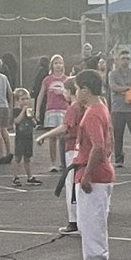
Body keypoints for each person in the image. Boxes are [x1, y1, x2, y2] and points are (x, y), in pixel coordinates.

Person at [71, 70, 114, 260]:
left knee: (91, 224)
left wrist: (87, 174)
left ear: (86, 90)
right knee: (91, 222)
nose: (76, 93)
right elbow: (106, 143)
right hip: (100, 172)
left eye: (78, 89)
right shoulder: (101, 109)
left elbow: (98, 146)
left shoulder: (93, 114)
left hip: (95, 176)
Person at [35, 77, 82, 236]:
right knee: (76, 184)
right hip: (79, 148)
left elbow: (64, 127)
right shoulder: (82, 107)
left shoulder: (73, 108)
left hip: (72, 148)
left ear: (69, 91)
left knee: (71, 185)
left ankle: (74, 221)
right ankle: (78, 219)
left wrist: (44, 135)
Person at [36, 54, 70, 170]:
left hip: (64, 110)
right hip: (51, 110)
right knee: (52, 137)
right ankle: (53, 163)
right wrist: (37, 110)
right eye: (56, 63)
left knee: (63, 137)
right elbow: (40, 95)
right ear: (52, 65)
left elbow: (70, 97)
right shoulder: (47, 80)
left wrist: (63, 93)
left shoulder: (66, 79)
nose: (58, 65)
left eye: (60, 63)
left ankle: (64, 162)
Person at [10, 88, 42, 187]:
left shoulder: (29, 111)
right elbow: (17, 121)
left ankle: (30, 177)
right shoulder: (16, 110)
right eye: (22, 99)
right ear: (17, 101)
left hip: (28, 136)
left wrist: (31, 117)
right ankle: (15, 177)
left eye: (27, 99)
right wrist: (23, 111)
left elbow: (34, 124)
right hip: (20, 137)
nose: (25, 101)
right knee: (18, 157)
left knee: (27, 158)